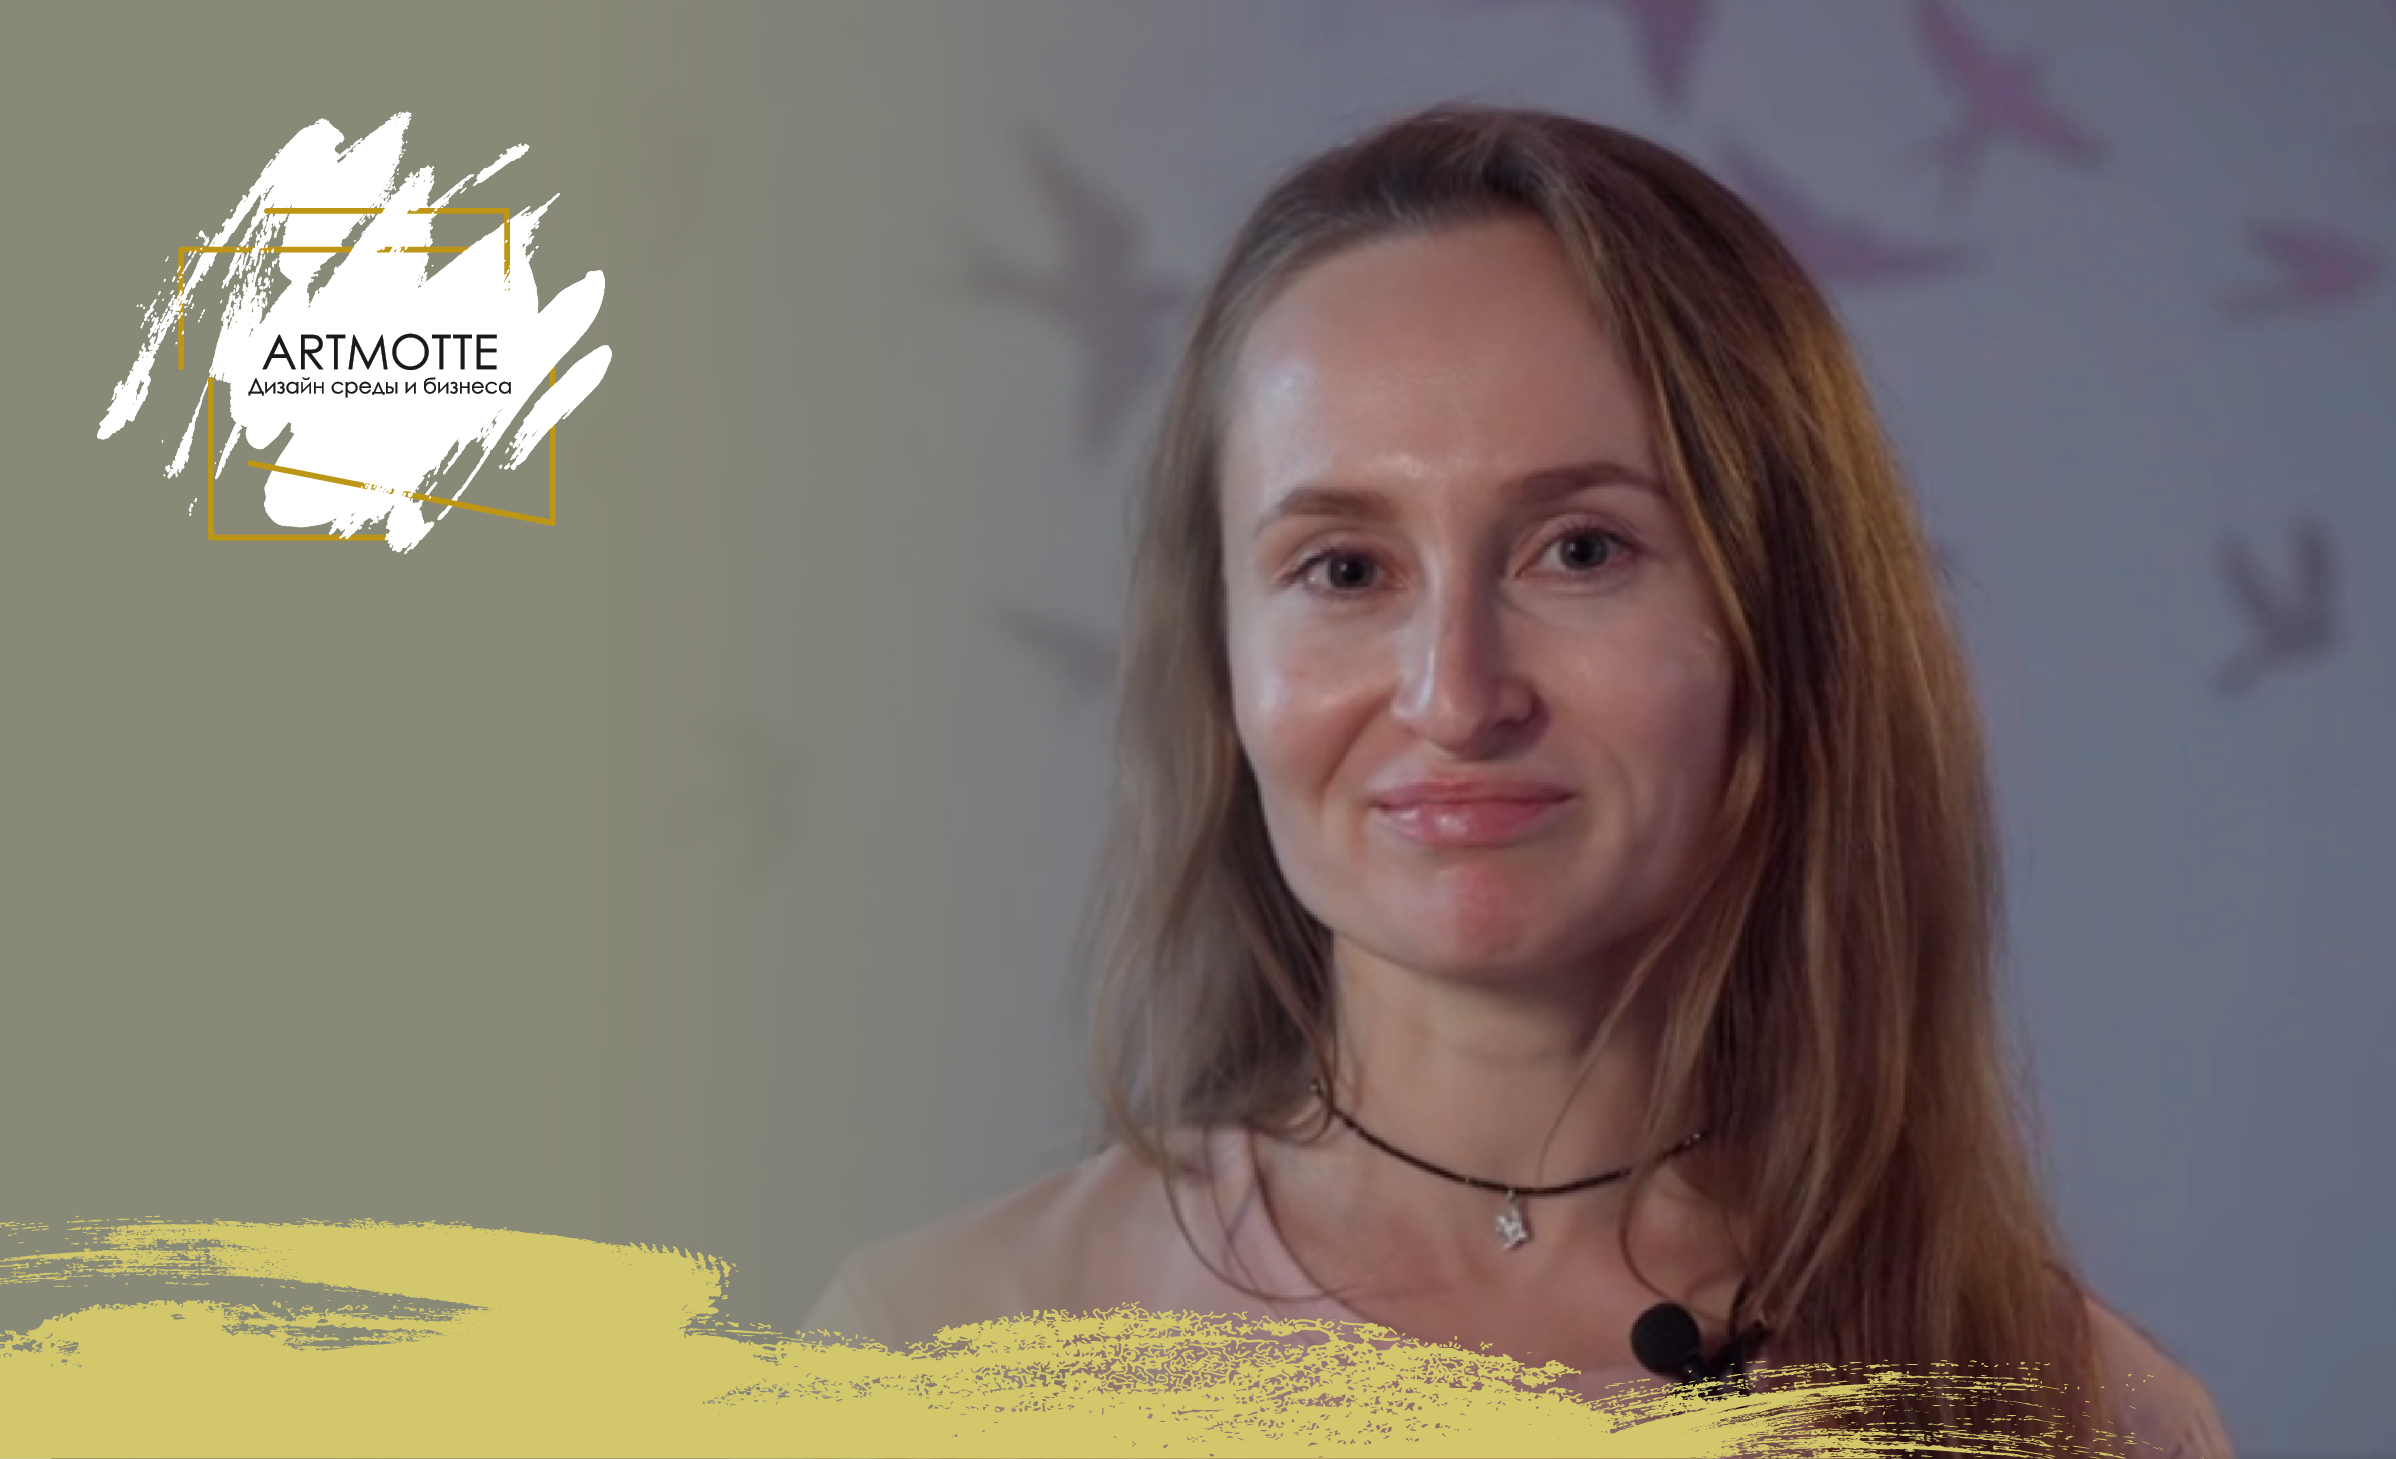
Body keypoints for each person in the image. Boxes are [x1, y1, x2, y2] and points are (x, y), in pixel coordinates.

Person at [806, 105, 2231, 1456]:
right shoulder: (921, 1363)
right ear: (1222, 661)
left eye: (1582, 550)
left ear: (1791, 624)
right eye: (1344, 569)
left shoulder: (2085, 1419)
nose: (1455, 695)